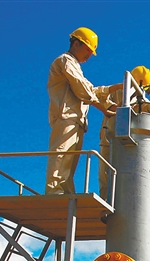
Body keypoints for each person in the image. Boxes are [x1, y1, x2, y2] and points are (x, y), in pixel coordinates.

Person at [45, 27, 116, 195]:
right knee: (61, 156)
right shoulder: (65, 60)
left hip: (76, 120)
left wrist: (114, 88)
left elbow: (90, 89)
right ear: (76, 43)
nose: (89, 55)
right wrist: (103, 109)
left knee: (69, 162)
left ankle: (66, 192)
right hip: (66, 116)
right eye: (88, 50)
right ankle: (54, 192)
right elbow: (81, 89)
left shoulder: (75, 66)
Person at [98, 65, 150, 200]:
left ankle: (120, 205)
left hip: (128, 146)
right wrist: (113, 107)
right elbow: (100, 96)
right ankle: (105, 206)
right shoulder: (118, 91)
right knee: (106, 177)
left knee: (126, 180)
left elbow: (145, 111)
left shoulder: (143, 100)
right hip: (109, 139)